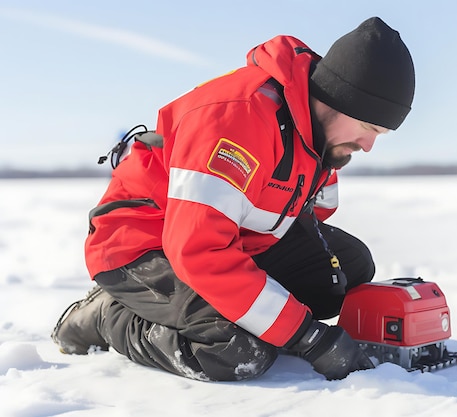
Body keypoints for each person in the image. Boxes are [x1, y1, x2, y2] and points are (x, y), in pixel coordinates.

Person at [51, 17, 415, 382]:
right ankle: (107, 315)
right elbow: (198, 249)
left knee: (347, 271)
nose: (368, 146)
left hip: (229, 239)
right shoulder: (236, 119)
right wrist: (308, 337)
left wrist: (282, 308)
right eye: (369, 129)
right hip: (141, 243)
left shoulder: (316, 131)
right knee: (239, 352)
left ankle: (230, 308)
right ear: (337, 98)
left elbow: (312, 214)